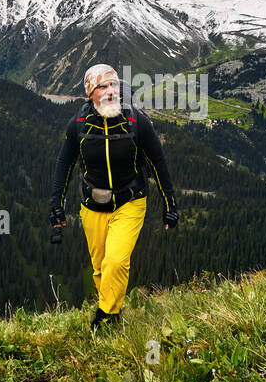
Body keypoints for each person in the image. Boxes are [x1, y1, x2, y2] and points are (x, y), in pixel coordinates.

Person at [49, 63, 179, 330]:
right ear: (89, 94)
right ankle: (114, 311)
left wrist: (171, 204)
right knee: (99, 267)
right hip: (92, 205)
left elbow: (158, 162)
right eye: (102, 86)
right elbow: (65, 162)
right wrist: (56, 204)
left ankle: (105, 315)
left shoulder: (136, 121)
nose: (110, 91)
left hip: (130, 201)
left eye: (114, 85)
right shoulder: (79, 124)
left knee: (116, 260)